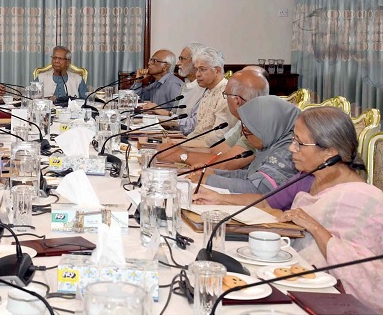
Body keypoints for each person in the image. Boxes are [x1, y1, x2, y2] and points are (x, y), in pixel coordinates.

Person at [275, 107, 383, 313]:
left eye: (299, 143)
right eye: (293, 139)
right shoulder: (312, 179)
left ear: (330, 152)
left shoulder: (367, 202)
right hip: (299, 283)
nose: (291, 148)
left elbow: (370, 278)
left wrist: (316, 228)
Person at [160, 69, 269, 170]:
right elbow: (214, 151)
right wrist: (179, 149)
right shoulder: (243, 123)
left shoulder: (257, 125)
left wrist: (181, 156)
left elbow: (226, 163)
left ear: (237, 100)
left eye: (225, 95)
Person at [198, 96, 300, 195]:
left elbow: (257, 189)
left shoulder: (288, 150)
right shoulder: (271, 143)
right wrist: (214, 173)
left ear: (269, 127)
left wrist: (209, 179)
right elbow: (250, 175)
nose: (245, 136)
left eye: (249, 131)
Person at [178, 46, 236, 145]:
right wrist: (182, 143)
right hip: (198, 146)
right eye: (196, 69)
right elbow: (199, 129)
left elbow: (218, 136)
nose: (197, 74)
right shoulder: (208, 91)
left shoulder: (226, 94)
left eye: (202, 69)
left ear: (217, 70)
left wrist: (184, 146)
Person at [144, 43, 205, 117]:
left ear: (195, 61)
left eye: (182, 59)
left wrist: (165, 113)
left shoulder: (203, 88)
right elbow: (175, 114)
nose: (178, 63)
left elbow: (192, 124)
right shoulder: (186, 84)